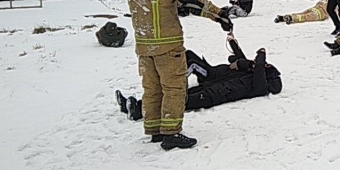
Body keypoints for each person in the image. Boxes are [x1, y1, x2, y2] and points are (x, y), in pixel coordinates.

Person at [125, 0, 233, 151]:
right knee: (174, 88)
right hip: (167, 45)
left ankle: (155, 129)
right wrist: (220, 16)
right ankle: (172, 133)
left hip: (144, 46)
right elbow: (193, 2)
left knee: (152, 89)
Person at [116, 34, 282, 120]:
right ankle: (134, 106)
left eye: (263, 66)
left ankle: (139, 111)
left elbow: (259, 65)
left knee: (178, 103)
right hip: (209, 88)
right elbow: (242, 57)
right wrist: (232, 41)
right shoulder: (248, 73)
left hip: (212, 96)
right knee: (176, 97)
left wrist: (261, 54)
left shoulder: (260, 87)